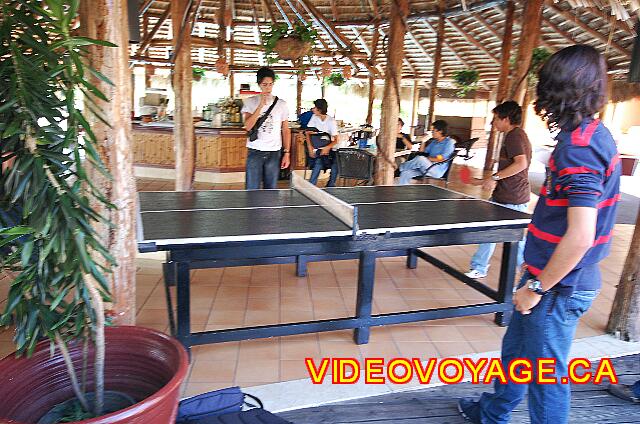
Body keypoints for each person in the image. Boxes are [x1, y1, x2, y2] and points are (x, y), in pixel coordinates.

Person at [458, 45, 622, 424]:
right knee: (516, 357)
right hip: (548, 278)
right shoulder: (592, 133)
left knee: (546, 380)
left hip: (558, 286)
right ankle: (491, 412)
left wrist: (538, 288)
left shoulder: (578, 150)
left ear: (554, 90)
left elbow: (581, 235)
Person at [464, 101, 532, 279]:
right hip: (503, 195)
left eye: (496, 119)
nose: (493, 123)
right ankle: (479, 266)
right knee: (490, 232)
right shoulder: (514, 135)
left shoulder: (514, 136)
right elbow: (511, 168)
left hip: (514, 198)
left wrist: (494, 177)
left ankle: (528, 277)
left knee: (516, 241)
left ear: (506, 119)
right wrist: (483, 181)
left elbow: (521, 164)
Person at [241, 67, 291, 190]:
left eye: (270, 84)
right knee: (252, 190)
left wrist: (287, 153)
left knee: (271, 190)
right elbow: (247, 126)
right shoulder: (250, 102)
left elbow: (285, 130)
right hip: (255, 151)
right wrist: (260, 107)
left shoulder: (281, 104)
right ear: (259, 84)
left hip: (274, 152)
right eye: (264, 84)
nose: (268, 88)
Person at [398, 120, 454, 185]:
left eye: (433, 130)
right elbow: (422, 152)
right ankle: (403, 192)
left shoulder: (449, 142)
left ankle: (399, 168)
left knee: (421, 159)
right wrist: (423, 141)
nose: (432, 132)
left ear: (440, 131)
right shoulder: (434, 142)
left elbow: (441, 158)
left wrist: (427, 159)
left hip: (436, 170)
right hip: (426, 168)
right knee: (405, 173)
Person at [305, 99, 340, 187]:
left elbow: (336, 140)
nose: (313, 109)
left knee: (335, 164)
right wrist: (310, 148)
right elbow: (308, 133)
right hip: (317, 149)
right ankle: (311, 186)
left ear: (319, 110)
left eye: (315, 107)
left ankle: (330, 186)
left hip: (330, 149)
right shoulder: (314, 117)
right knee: (318, 161)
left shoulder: (331, 121)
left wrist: (327, 147)